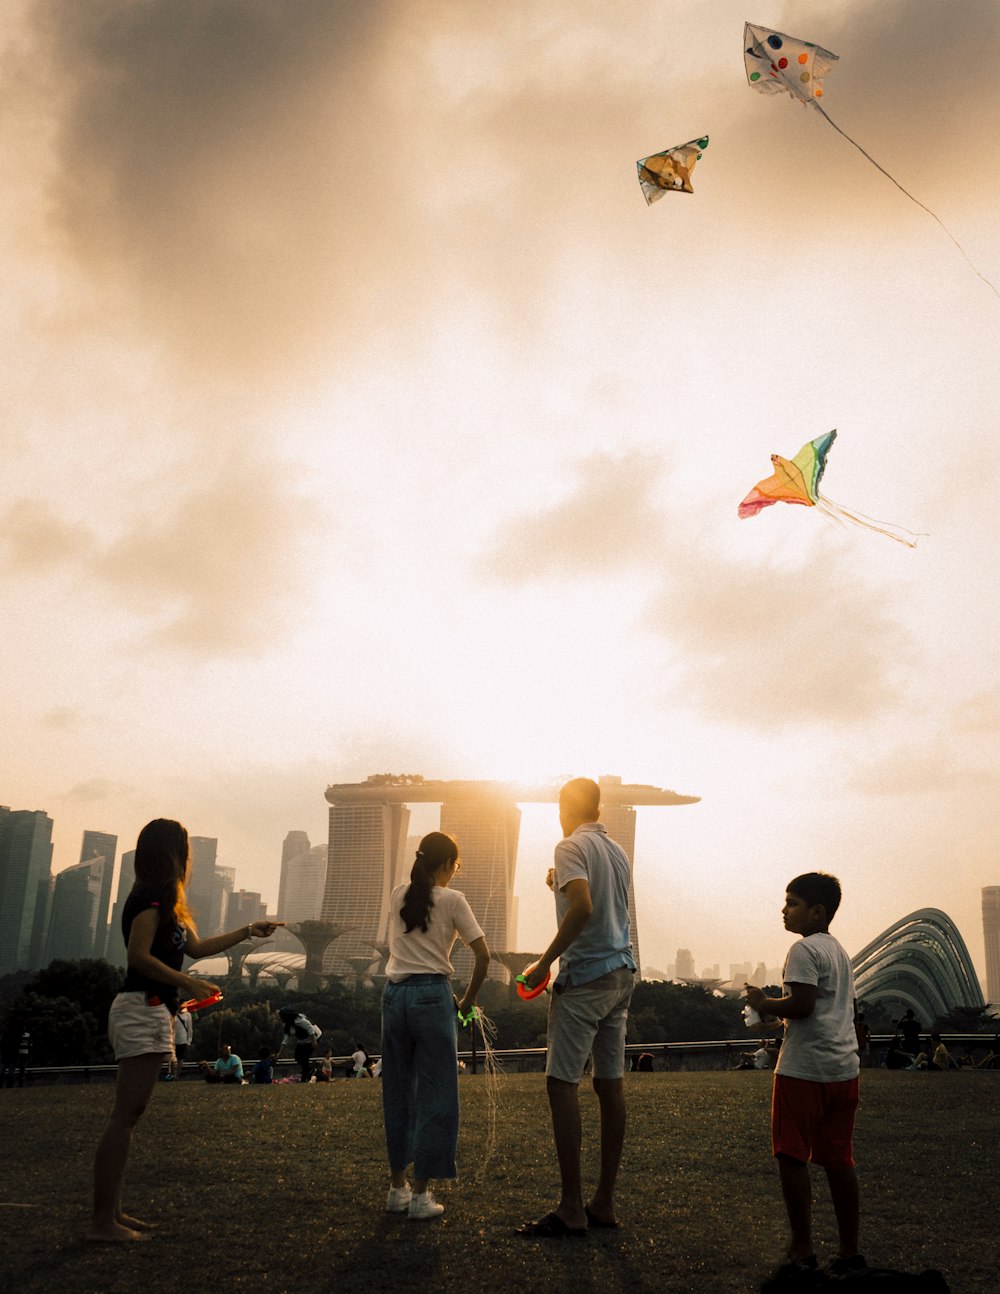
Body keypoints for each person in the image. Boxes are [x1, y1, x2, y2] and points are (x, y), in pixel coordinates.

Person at [89, 817, 283, 1242]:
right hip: (140, 1007)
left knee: (130, 1115)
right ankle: (103, 1221)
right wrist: (189, 983)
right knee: (124, 1115)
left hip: (153, 1010)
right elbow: (137, 957)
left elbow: (196, 948)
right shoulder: (150, 897)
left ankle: (113, 1215)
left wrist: (249, 931)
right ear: (174, 853)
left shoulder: (169, 903)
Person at [517, 777, 636, 1239]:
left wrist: (544, 962)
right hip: (622, 972)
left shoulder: (567, 845)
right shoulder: (615, 850)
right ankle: (603, 1202)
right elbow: (602, 900)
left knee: (561, 1084)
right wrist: (559, 883)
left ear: (565, 806)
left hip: (585, 978)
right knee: (610, 1085)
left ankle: (571, 1208)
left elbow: (584, 907)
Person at [745, 872, 864, 1281]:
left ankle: (803, 1247)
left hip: (804, 1070)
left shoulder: (803, 949)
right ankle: (849, 1250)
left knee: (791, 1156)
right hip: (843, 1069)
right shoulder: (839, 952)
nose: (784, 909)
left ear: (817, 912)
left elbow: (803, 1005)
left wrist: (763, 1002)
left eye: (792, 903)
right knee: (838, 1161)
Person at [381, 831, 490, 1221]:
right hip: (431, 998)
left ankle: (397, 1189)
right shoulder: (453, 900)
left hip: (393, 997)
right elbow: (483, 955)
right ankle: (422, 1195)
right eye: (455, 866)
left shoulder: (398, 894)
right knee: (437, 1094)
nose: (455, 873)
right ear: (445, 864)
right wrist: (468, 1001)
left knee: (397, 1091)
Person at [278, 1007, 322, 1083]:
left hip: (314, 1037)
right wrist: (279, 1054)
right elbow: (285, 1041)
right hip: (302, 1040)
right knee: (297, 1056)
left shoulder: (299, 1021)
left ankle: (304, 1078)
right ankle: (310, 1071)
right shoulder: (288, 1026)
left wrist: (314, 1041)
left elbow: (309, 1028)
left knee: (304, 1058)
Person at [170, 1006, 192, 1080]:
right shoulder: (173, 1014)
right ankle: (172, 1074)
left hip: (182, 1039)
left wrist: (189, 1041)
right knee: (172, 1058)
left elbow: (189, 1028)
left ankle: (177, 1076)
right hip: (173, 1039)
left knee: (180, 1058)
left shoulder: (187, 1015)